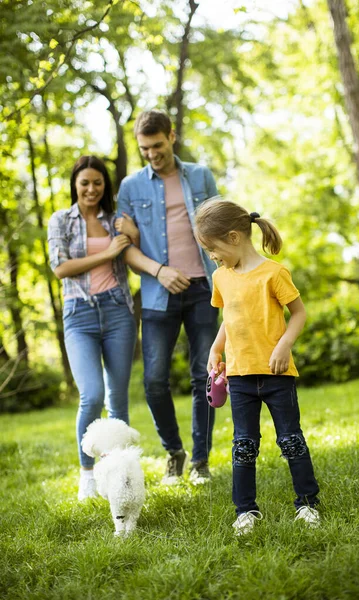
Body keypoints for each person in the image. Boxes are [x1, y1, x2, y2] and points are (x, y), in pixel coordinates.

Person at [194, 198, 320, 535]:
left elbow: (300, 314)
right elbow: (230, 317)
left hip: (277, 375)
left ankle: (307, 504)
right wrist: (217, 347)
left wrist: (284, 345)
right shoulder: (222, 277)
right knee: (243, 444)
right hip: (239, 376)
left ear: (234, 237)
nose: (211, 256)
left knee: (291, 439)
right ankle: (245, 511)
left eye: (211, 247)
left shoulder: (273, 273)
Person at [116, 109, 219, 485]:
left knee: (203, 376)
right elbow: (124, 248)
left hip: (205, 290)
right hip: (158, 294)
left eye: (157, 145)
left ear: (171, 137)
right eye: (144, 148)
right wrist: (160, 270)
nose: (152, 154)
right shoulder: (130, 187)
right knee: (155, 381)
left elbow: (220, 225)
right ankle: (174, 452)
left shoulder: (201, 175)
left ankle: (201, 462)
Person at [47, 156, 137, 500]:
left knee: (118, 399)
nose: (90, 189)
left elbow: (135, 249)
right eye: (84, 182)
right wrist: (108, 252)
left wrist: (132, 234)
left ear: (105, 186)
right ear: (75, 184)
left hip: (117, 312)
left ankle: (121, 474)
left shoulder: (115, 220)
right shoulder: (61, 220)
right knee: (93, 395)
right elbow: (61, 267)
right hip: (79, 314)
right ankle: (88, 472)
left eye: (97, 183)